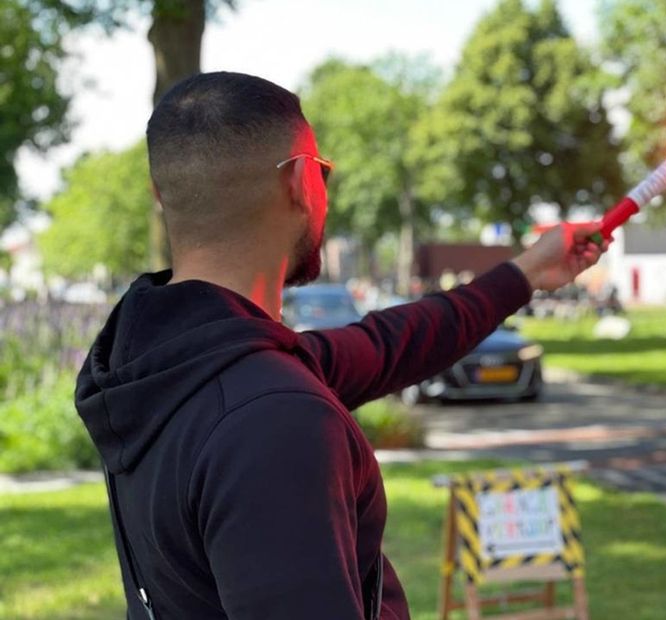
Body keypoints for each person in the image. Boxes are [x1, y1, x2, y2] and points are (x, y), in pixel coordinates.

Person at [74, 72, 607, 620]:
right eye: (322, 171)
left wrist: (524, 273)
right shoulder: (271, 416)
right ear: (302, 182)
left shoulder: (163, 365)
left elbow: (387, 343)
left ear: (159, 195)